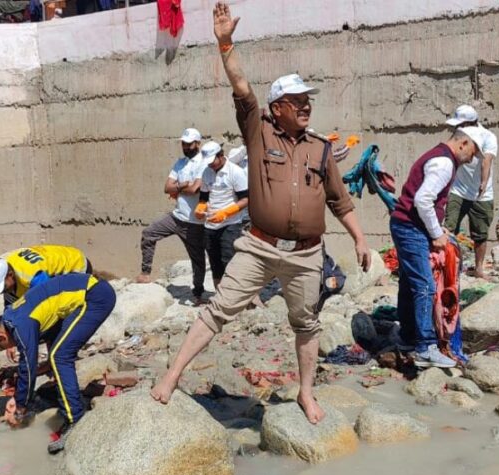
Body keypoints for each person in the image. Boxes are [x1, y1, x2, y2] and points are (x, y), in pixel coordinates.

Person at [150, 2, 371, 425]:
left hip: (306, 254)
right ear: (277, 107)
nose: (305, 106)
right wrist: (226, 43)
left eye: (307, 101)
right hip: (258, 247)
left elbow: (339, 201)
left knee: (306, 323)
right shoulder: (258, 129)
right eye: (296, 101)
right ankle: (173, 375)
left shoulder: (321, 149)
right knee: (216, 310)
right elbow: (242, 88)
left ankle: (306, 394)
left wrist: (360, 238)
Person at [0, 273, 115, 455]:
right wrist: (45, 368)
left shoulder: (20, 325)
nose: (7, 348)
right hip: (89, 293)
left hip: (94, 296)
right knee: (58, 354)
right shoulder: (13, 315)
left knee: (60, 356)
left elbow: (28, 366)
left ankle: (75, 421)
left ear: (1, 337)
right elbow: (52, 330)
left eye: (1, 347)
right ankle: (70, 403)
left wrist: (19, 406)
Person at [389, 127, 484, 369]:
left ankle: (408, 337)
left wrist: (440, 229)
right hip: (411, 228)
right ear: (463, 143)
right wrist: (437, 233)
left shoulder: (439, 157)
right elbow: (423, 200)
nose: (472, 159)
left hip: (406, 224)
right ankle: (425, 347)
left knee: (410, 283)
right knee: (424, 286)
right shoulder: (444, 163)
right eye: (473, 152)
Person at [136, 128, 208, 304]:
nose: (185, 147)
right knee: (149, 234)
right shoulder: (180, 163)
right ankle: (145, 273)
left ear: (198, 144)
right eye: (183, 143)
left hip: (194, 222)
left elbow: (194, 190)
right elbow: (167, 188)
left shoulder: (204, 164)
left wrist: (180, 187)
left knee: (197, 260)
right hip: (176, 217)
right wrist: (183, 185)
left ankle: (198, 294)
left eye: (189, 144)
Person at [442, 105, 498, 279]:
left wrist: (483, 182)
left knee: (480, 234)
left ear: (469, 122)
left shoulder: (488, 137)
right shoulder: (459, 135)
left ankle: (479, 268)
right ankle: (447, 265)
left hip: (482, 195)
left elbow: (486, 161)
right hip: (459, 190)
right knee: (449, 228)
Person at [195, 141, 249, 288]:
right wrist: (200, 207)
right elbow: (204, 197)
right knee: (215, 262)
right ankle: (220, 296)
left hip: (230, 224)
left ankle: (234, 296)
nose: (210, 165)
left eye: (213, 161)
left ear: (221, 155)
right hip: (210, 225)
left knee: (229, 260)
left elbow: (245, 199)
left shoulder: (235, 172)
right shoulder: (207, 172)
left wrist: (226, 212)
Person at [0, 244, 90, 306]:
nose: (1, 291)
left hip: (77, 265)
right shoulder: (8, 270)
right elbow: (10, 307)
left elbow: (51, 303)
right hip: (55, 258)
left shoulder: (33, 277)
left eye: (3, 287)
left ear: (10, 275)